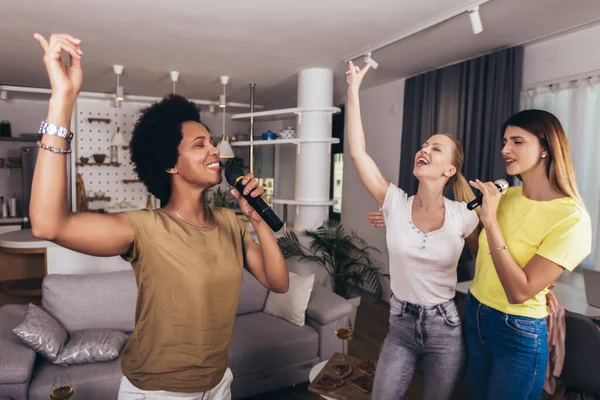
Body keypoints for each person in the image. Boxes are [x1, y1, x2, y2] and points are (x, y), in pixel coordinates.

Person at [30, 33, 289, 400]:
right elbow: (47, 224)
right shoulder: (144, 229)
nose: (215, 149)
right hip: (158, 391)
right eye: (200, 144)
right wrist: (63, 100)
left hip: (218, 385)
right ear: (170, 164)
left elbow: (278, 283)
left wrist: (259, 221)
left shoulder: (231, 223)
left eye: (212, 142)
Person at [345, 61, 480, 400]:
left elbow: (489, 261)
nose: (425, 149)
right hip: (400, 324)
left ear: (449, 169)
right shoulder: (395, 204)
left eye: (436, 148)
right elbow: (358, 153)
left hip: (446, 328)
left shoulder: (466, 215)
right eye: (424, 145)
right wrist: (353, 89)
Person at [464, 109, 592, 400]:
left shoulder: (571, 218)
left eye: (517, 141)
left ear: (545, 147)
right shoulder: (506, 197)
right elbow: (480, 252)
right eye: (504, 141)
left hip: (516, 330)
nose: (505, 149)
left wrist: (491, 223)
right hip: (476, 311)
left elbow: (519, 292)